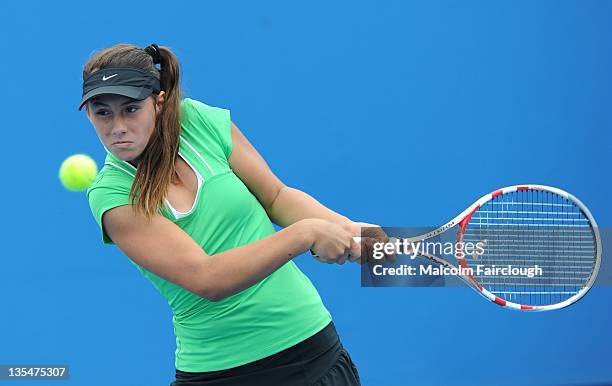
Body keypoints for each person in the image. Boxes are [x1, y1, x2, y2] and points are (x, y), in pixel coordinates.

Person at [80, 43, 388, 386]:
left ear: (159, 102)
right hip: (222, 372)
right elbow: (207, 279)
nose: (117, 127)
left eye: (131, 109)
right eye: (102, 112)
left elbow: (276, 196)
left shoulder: (198, 121)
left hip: (313, 347)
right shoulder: (111, 196)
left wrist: (345, 228)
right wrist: (307, 234)